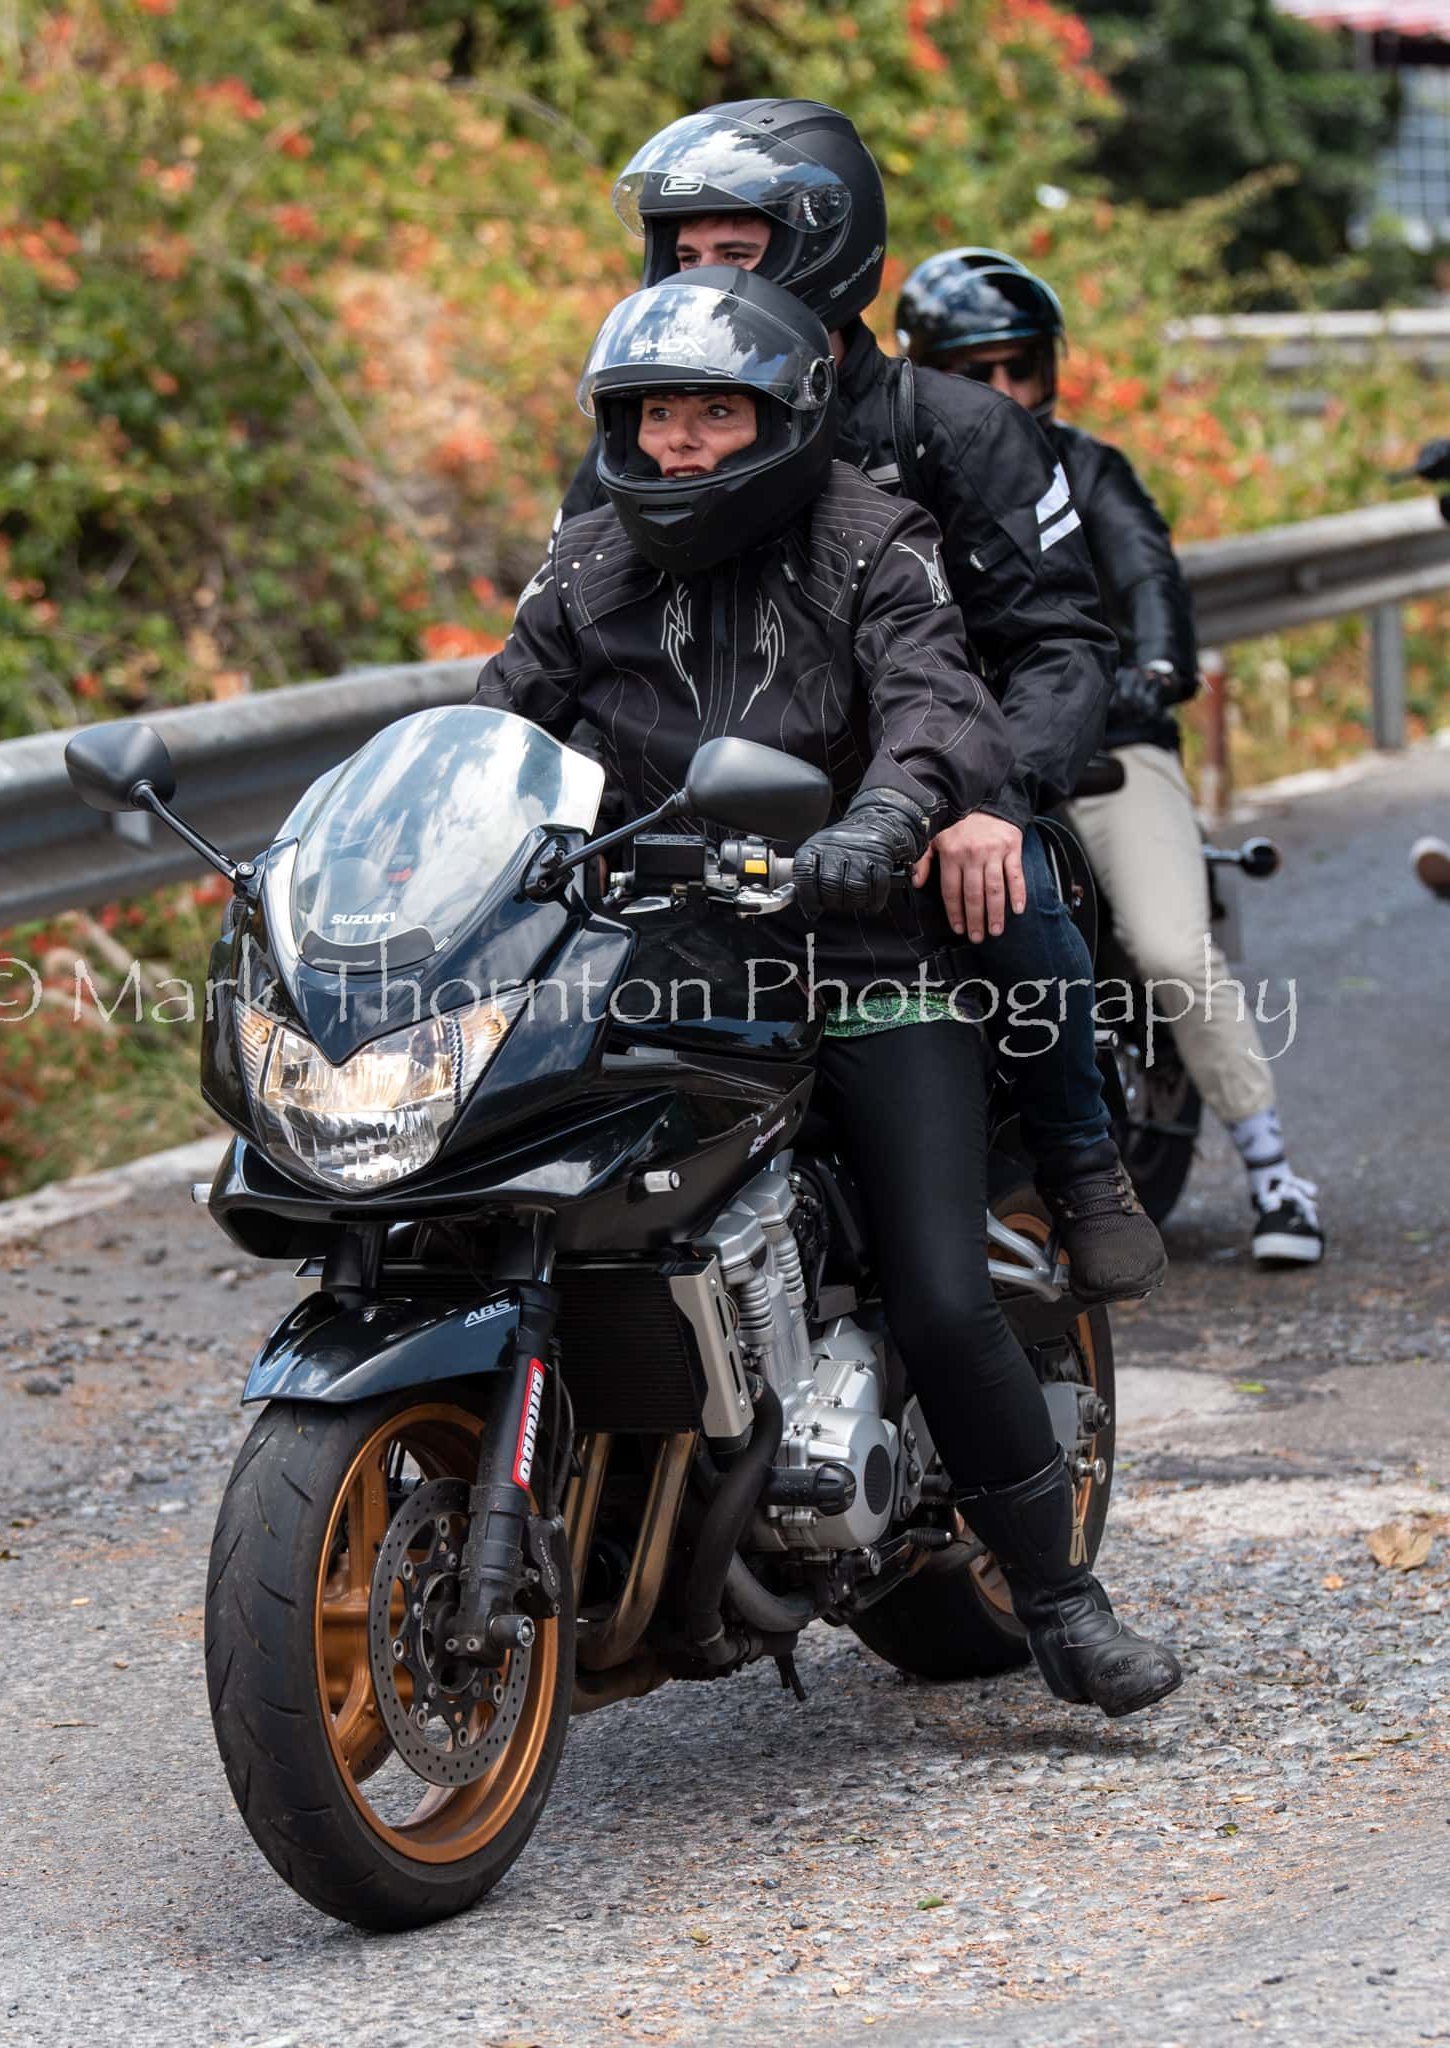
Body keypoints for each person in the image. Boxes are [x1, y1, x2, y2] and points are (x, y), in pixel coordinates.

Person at [477, 265, 1183, 1718]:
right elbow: (499, 718)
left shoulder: (871, 538)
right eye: (653, 414)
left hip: (860, 960)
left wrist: (881, 825)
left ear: (784, 416)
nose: (677, 445)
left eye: (711, 415)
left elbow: (935, 700)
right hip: (651, 953)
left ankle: (1055, 1598)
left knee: (936, 1283)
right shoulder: (590, 561)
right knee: (515, 1190)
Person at [552, 99, 1166, 1309]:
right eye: (686, 257)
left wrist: (989, 798)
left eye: (740, 252)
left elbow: (1057, 648)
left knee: (1006, 876)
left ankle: (1084, 1168)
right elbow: (574, 646)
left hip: (941, 789)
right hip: (713, 803)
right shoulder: (645, 427)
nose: (708, 278)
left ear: (824, 249)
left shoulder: (958, 430)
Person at [900, 247, 1325, 1266]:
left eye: (1019, 367)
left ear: (1048, 368)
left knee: (1176, 949)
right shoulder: (893, 477)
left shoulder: (1089, 467)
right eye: (973, 369)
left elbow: (1144, 574)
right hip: (952, 766)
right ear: (922, 370)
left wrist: (1157, 666)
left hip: (1105, 748)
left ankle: (1275, 1175)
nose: (1001, 390)